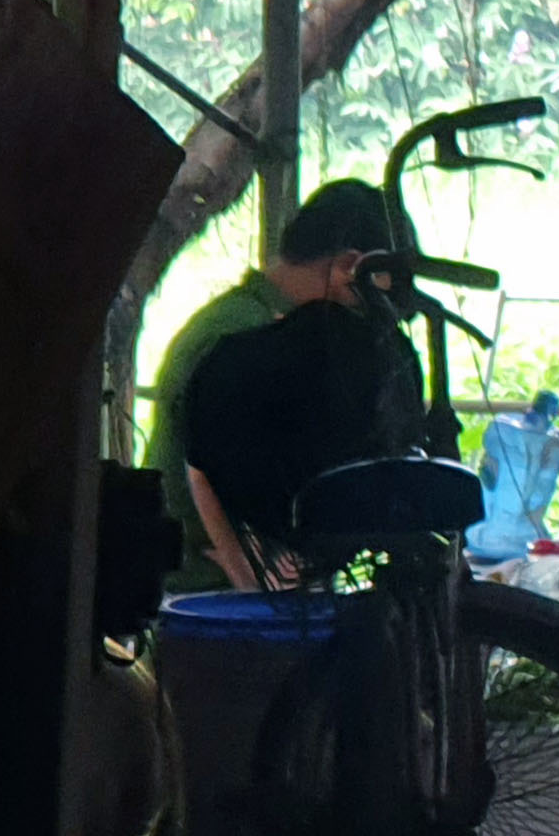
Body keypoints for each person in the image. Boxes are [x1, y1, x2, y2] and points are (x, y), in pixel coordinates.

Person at [146, 178, 394, 594]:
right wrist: (252, 577)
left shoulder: (276, 327)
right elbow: (202, 468)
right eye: (378, 293)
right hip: (207, 588)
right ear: (350, 266)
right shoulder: (242, 332)